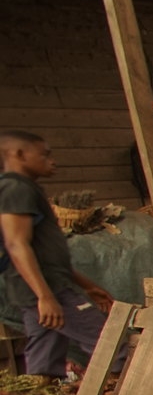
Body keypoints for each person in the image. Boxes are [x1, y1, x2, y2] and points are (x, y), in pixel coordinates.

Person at [0, 132, 115, 378]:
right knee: (109, 345)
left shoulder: (26, 189)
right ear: (19, 155)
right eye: (44, 154)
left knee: (45, 359)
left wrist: (86, 285)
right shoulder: (15, 188)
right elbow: (16, 244)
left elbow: (45, 256)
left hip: (46, 287)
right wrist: (45, 296)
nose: (52, 161)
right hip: (47, 290)